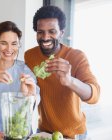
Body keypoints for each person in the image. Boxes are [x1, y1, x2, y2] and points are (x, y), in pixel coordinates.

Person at [24, 6, 100, 139]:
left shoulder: (76, 57)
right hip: (44, 131)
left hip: (73, 133)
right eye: (40, 32)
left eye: (52, 31)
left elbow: (94, 95)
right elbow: (30, 94)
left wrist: (70, 81)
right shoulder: (30, 56)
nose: (45, 37)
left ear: (61, 32)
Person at [0, 21, 40, 140]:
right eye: (3, 43)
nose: (9, 49)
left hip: (23, 136)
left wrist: (30, 96)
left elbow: (34, 103)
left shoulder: (26, 70)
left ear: (19, 45)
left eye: (14, 43)